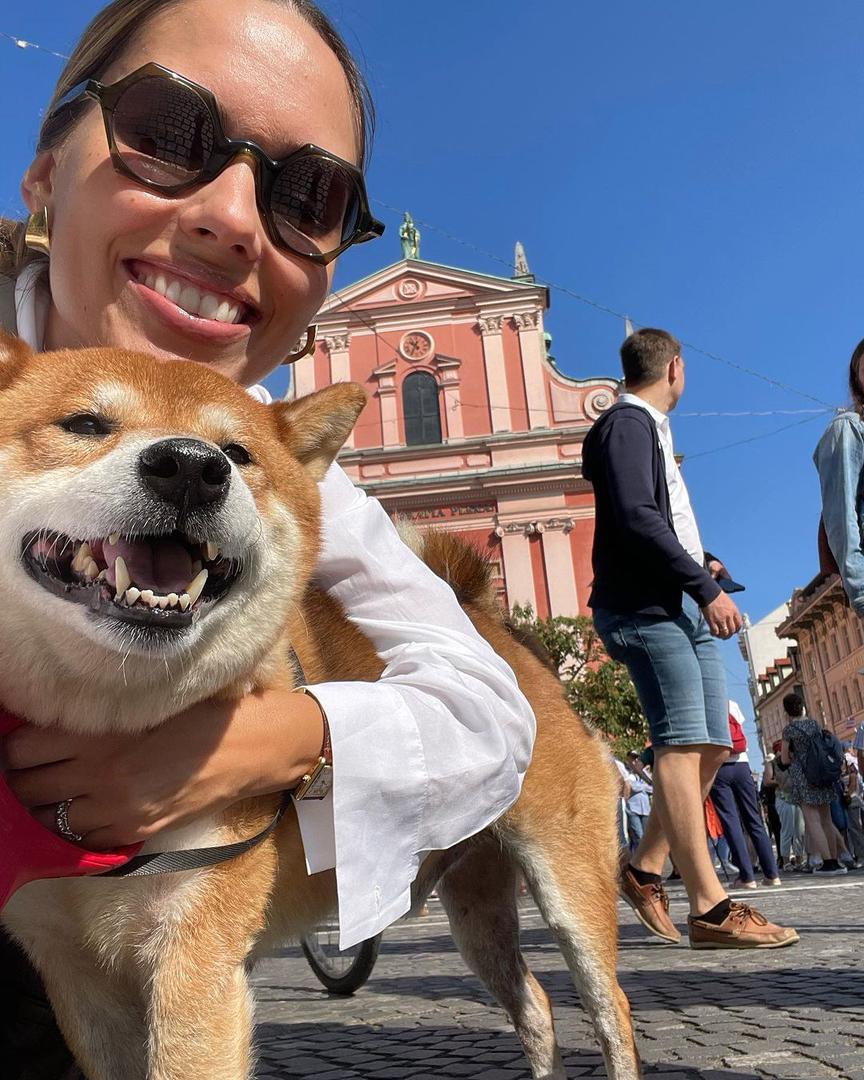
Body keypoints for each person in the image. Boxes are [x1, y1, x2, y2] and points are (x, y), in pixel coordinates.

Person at [0, 2, 535, 1075]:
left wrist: (277, 740)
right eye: (165, 129)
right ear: (48, 177)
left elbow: (491, 717)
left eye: (313, 196)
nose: (237, 217)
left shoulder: (269, 455)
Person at [583, 326, 797, 949]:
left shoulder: (647, 427)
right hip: (648, 610)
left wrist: (703, 564)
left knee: (710, 746)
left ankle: (643, 867)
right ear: (675, 367)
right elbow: (636, 517)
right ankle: (710, 905)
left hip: (679, 601)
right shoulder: (626, 423)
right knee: (679, 745)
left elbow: (657, 518)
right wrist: (704, 588)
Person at [708, 702, 781, 888]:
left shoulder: (702, 705)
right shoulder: (730, 703)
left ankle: (747, 877)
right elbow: (740, 724)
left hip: (719, 766)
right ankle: (772, 874)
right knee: (754, 820)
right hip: (742, 765)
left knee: (731, 822)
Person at [780, 694, 846, 875]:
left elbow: (785, 759)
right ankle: (836, 861)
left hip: (803, 777)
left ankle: (828, 862)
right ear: (802, 707)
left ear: (787, 711)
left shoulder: (789, 730)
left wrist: (794, 756)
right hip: (821, 774)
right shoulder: (814, 724)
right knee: (826, 819)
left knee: (813, 821)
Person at [768, 740, 807, 870]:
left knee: (800, 830)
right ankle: (786, 861)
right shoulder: (772, 763)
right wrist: (780, 782)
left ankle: (799, 858)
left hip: (797, 799)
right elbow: (767, 781)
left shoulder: (795, 761)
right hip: (783, 798)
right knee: (787, 830)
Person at [621, 750, 653, 851]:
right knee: (638, 837)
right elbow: (632, 787)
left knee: (646, 838)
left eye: (636, 758)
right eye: (632, 758)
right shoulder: (628, 775)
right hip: (633, 810)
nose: (634, 761)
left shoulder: (646, 775)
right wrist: (645, 786)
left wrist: (644, 786)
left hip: (645, 810)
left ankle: (638, 857)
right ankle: (636, 860)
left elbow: (653, 788)